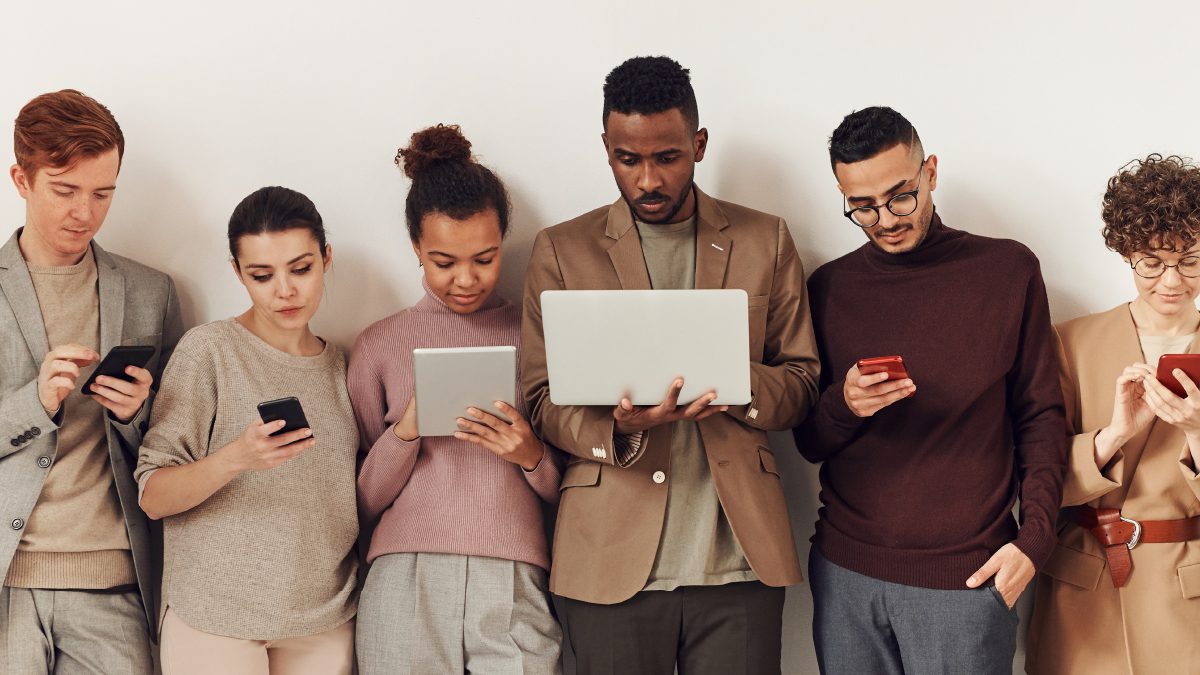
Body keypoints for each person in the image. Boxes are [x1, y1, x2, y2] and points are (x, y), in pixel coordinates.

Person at [521, 56, 820, 675]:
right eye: (628, 160)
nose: (648, 180)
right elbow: (541, 398)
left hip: (739, 559)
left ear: (699, 144)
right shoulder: (562, 250)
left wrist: (732, 383)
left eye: (668, 157)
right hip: (608, 558)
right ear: (607, 147)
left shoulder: (767, 239)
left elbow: (802, 384)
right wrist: (622, 429)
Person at [792, 106, 1067, 674]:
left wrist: (1033, 543)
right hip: (845, 576)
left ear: (931, 172)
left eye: (900, 196)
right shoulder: (829, 288)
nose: (886, 219)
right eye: (862, 207)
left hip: (967, 580)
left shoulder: (1006, 270)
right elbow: (808, 442)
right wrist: (844, 407)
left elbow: (1040, 417)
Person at [349, 123, 562, 674]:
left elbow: (574, 486)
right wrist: (408, 431)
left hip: (515, 574)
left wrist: (529, 455)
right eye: (443, 262)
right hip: (405, 574)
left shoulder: (536, 335)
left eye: (485, 259)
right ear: (416, 248)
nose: (465, 279)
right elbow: (363, 498)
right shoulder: (380, 345)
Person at [134, 186, 358, 674]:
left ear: (326, 258)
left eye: (301, 268)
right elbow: (153, 495)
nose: (285, 290)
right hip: (214, 616)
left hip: (324, 618)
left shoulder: (344, 367)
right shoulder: (209, 351)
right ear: (238, 273)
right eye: (262, 275)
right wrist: (236, 457)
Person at [0, 89, 182, 674]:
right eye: (65, 190)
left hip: (114, 582)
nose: (85, 211)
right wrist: (34, 404)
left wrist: (136, 414)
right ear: (21, 180)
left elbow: (177, 445)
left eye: (103, 193)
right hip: (7, 580)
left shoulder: (151, 293)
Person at [1025, 154, 1200, 674]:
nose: (1171, 280)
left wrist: (1195, 430)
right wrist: (1114, 435)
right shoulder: (1070, 342)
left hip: (1184, 596)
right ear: (1126, 252)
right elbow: (1036, 484)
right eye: (1152, 261)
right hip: (1083, 590)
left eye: (1189, 260)